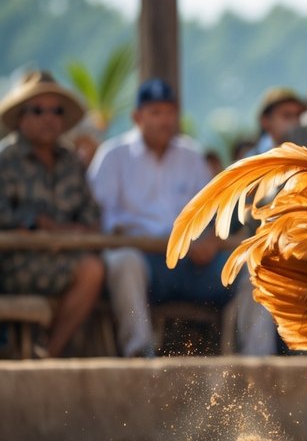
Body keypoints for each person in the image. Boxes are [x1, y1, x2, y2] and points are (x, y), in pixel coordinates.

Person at [89, 79, 275, 358]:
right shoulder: (113, 156)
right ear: (137, 117)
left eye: (169, 112)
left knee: (253, 265)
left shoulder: (191, 155)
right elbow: (102, 221)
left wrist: (211, 240)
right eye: (155, 112)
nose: (164, 120)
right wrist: (156, 241)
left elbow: (212, 214)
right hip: (145, 261)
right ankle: (139, 354)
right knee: (122, 261)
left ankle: (259, 362)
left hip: (194, 263)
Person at [0, 71, 106, 359]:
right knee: (92, 270)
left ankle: (47, 354)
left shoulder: (71, 160)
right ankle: (49, 356)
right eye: (38, 110)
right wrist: (40, 227)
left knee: (102, 268)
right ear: (21, 117)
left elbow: (91, 215)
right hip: (15, 263)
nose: (49, 117)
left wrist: (68, 231)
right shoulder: (5, 160)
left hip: (67, 256)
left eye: (56, 110)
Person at [248, 86, 306, 157]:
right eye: (287, 115)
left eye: (298, 115)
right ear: (265, 121)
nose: (295, 121)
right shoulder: (252, 159)